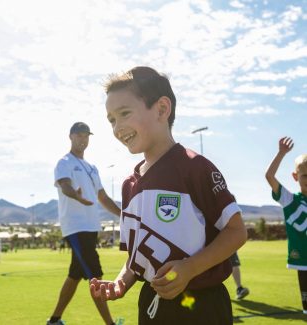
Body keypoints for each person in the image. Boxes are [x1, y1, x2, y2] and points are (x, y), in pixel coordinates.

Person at [90, 66, 247, 325]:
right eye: (111, 120)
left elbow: (236, 231)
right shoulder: (130, 185)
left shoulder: (195, 168)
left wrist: (189, 269)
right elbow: (138, 256)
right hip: (152, 304)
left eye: (124, 114)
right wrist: (121, 283)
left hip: (202, 305)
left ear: (162, 109)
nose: (118, 127)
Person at [47, 122, 121, 325]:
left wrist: (123, 215)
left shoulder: (92, 168)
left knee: (75, 274)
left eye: (86, 135)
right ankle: (110, 323)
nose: (83, 139)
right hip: (76, 227)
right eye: (79, 135)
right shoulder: (64, 162)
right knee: (95, 276)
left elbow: (103, 197)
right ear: (70, 136)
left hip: (91, 228)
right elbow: (65, 187)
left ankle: (54, 320)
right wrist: (77, 197)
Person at [265, 136, 307, 315]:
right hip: (303, 261)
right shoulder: (290, 200)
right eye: (305, 175)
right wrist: (281, 153)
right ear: (295, 176)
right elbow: (269, 176)